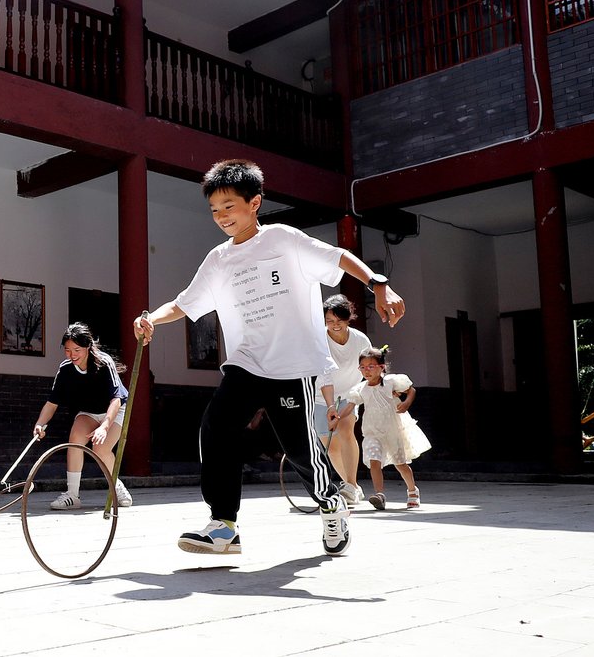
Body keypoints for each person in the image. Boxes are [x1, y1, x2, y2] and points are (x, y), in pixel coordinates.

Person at [133, 158, 406, 557]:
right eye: (214, 210)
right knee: (216, 426)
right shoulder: (219, 259)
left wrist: (378, 284)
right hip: (246, 363)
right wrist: (151, 318)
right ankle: (223, 524)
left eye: (230, 206)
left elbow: (338, 258)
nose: (222, 216)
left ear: (254, 202)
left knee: (298, 450)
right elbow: (184, 303)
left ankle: (331, 501)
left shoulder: (282, 239)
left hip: (291, 367)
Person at [33, 322, 134, 510]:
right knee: (75, 438)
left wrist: (104, 426)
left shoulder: (104, 363)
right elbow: (52, 402)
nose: (72, 355)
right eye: (68, 350)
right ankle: (72, 495)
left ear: (88, 346)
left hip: (115, 409)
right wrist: (40, 424)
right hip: (88, 412)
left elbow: (116, 399)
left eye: (77, 350)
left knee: (100, 448)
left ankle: (116, 486)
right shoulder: (65, 369)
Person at [335, 347, 431, 510]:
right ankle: (379, 494)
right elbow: (350, 406)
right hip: (372, 432)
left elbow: (411, 390)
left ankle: (412, 490)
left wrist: (406, 402)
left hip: (392, 431)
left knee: (400, 464)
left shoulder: (391, 382)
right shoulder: (360, 389)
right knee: (374, 461)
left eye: (371, 366)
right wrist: (336, 418)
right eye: (363, 367)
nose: (366, 371)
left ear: (382, 367)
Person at [314, 294, 373, 506]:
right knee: (328, 444)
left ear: (349, 319)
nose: (334, 325)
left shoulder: (360, 340)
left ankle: (350, 484)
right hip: (321, 396)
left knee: (346, 430)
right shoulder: (319, 339)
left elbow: (369, 367)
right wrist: (330, 406)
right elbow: (324, 375)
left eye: (339, 321)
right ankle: (353, 488)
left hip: (350, 392)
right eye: (329, 321)